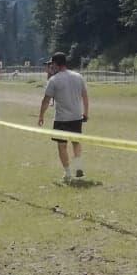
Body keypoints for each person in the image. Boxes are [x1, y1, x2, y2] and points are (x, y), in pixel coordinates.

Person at [37, 52, 90, 182]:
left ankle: (67, 173)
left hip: (61, 118)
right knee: (76, 142)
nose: (51, 67)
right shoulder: (78, 76)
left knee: (62, 145)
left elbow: (45, 100)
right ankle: (78, 167)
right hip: (76, 116)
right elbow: (85, 96)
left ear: (55, 64)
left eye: (52, 64)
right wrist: (86, 113)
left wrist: (41, 115)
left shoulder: (54, 80)